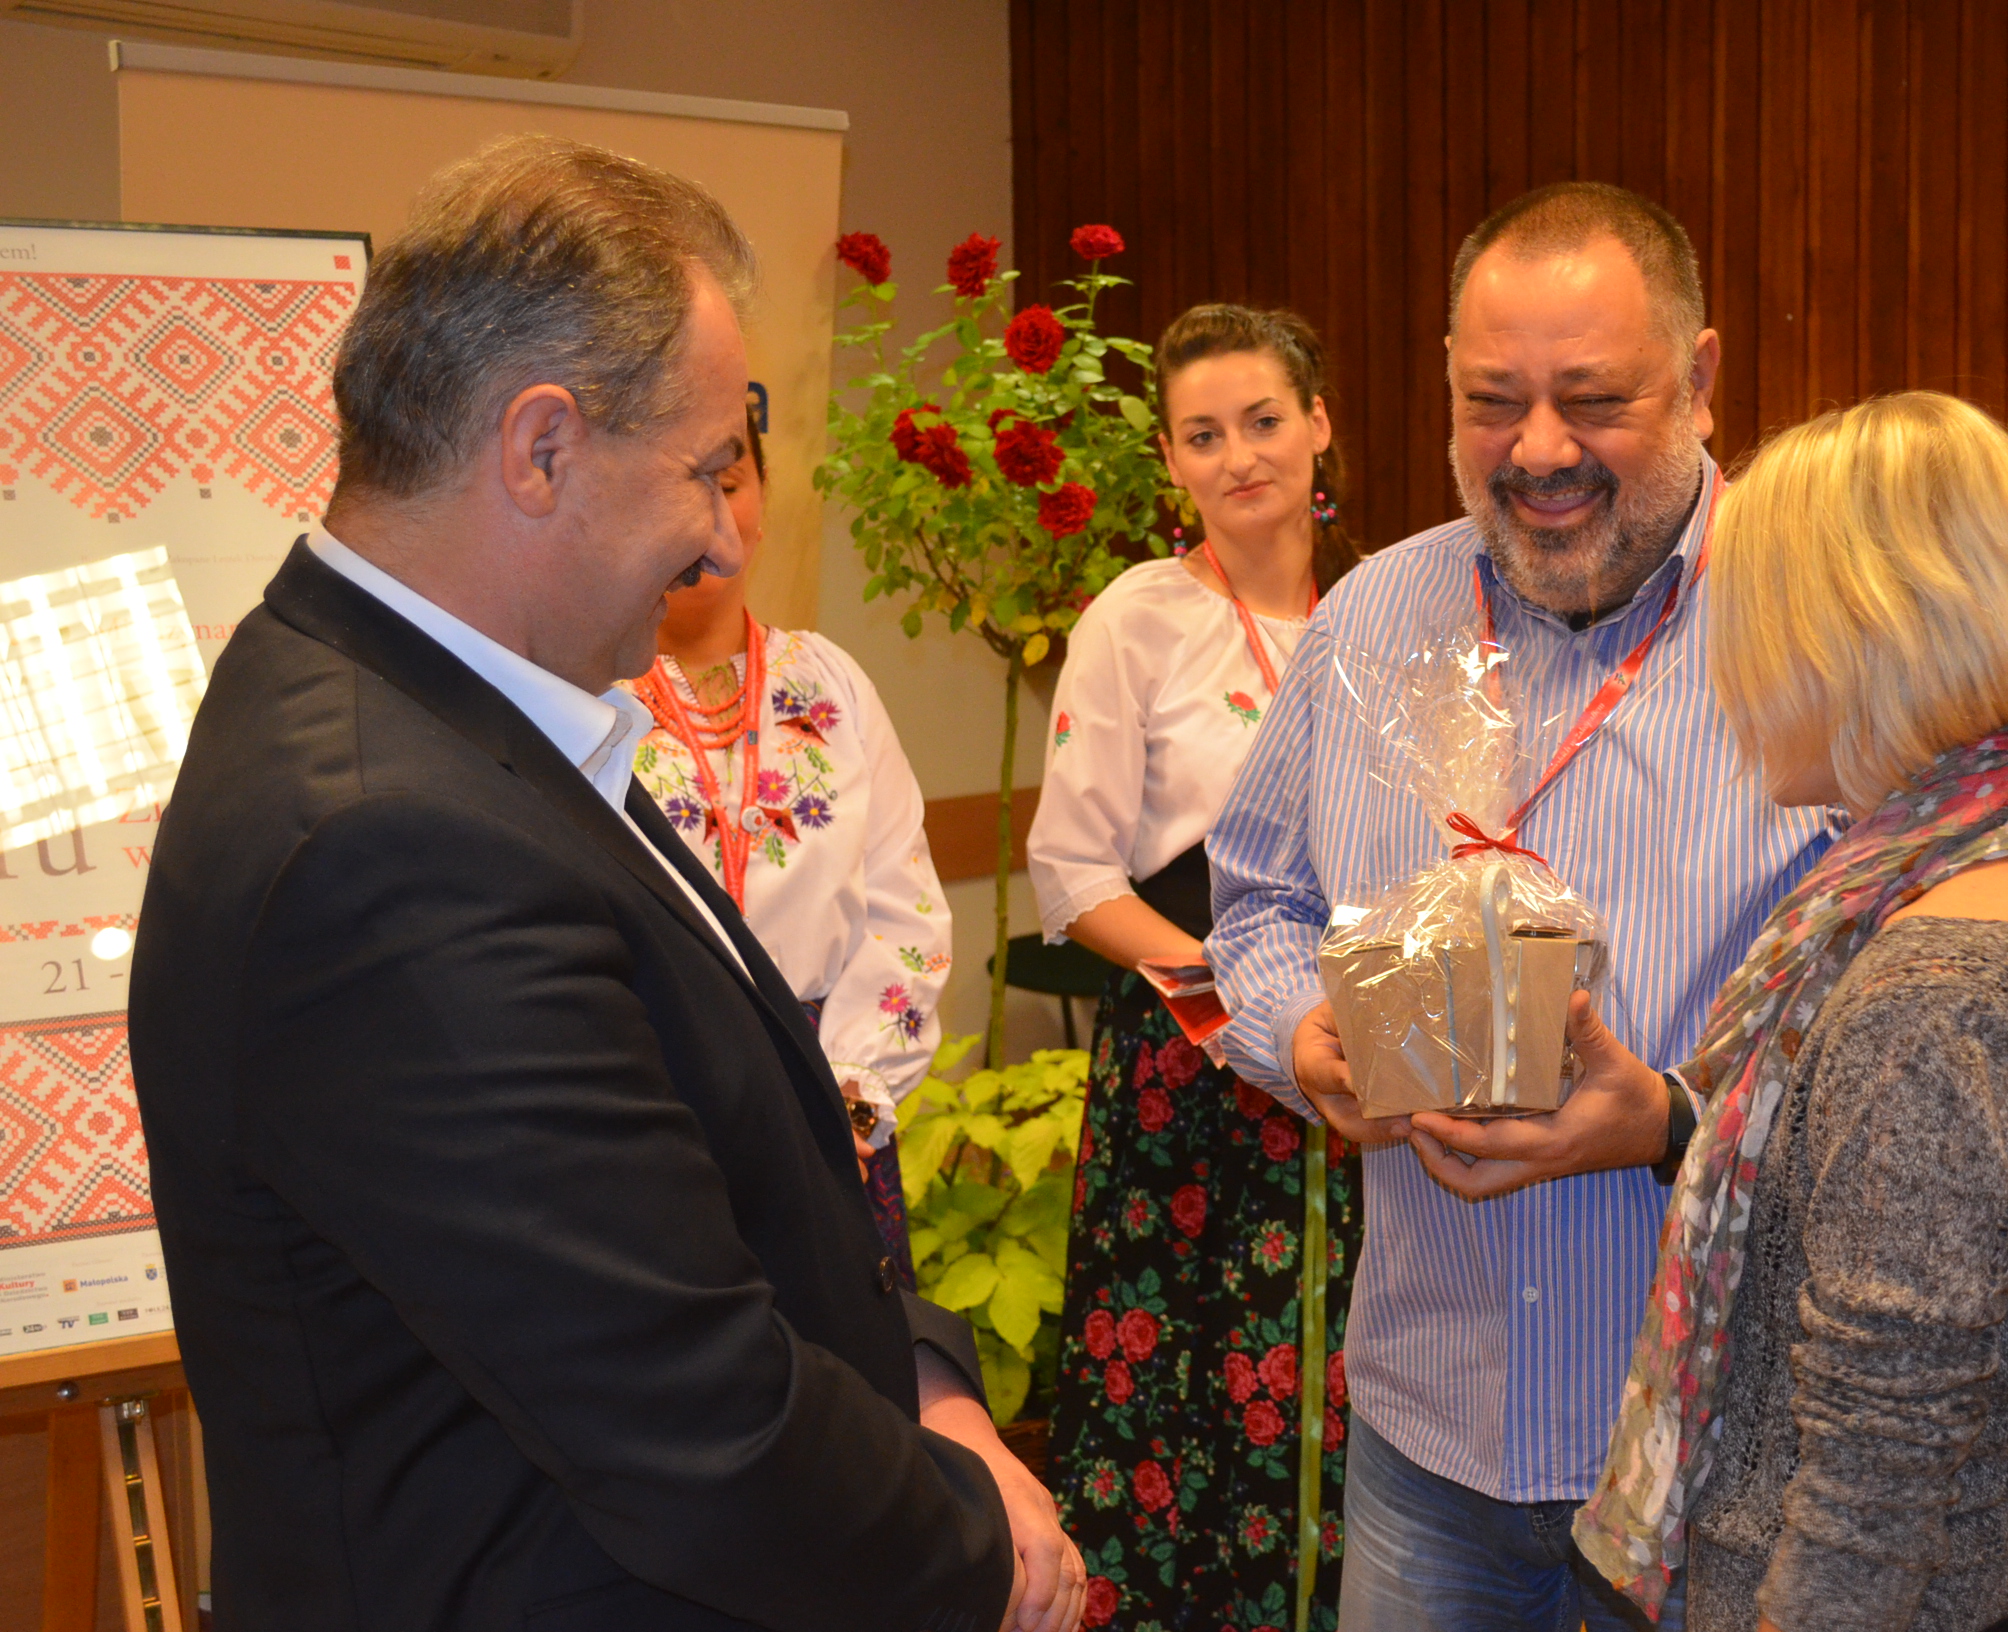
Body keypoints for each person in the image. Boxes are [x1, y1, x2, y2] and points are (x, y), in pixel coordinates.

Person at [128, 135, 1081, 1632]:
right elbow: (691, 1421)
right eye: (705, 468)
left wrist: (920, 1379)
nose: (722, 535)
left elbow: (715, 1169)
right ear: (541, 449)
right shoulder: (389, 843)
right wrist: (983, 1551)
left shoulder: (462, 711)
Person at [1206, 182, 1834, 1632]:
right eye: (1493, 401)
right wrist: (1303, 1041)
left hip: (1720, 1454)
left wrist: (1670, 1120)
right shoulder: (1369, 621)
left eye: (1593, 399)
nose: (1539, 449)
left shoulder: (1820, 625)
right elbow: (1256, 906)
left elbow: (1901, 1050)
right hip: (1428, 1447)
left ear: (1703, 377)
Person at [1549, 392, 2008, 1632]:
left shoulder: (1941, 1001)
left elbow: (1871, 1491)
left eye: (1750, 634)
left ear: (1858, 642)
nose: (1729, 683)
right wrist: (1677, 1122)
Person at [1028, 304, 1366, 1630]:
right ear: (1170, 459)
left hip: (1369, 1054)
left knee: (1351, 1383)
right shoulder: (1139, 618)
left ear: (1319, 423)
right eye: (1203, 434)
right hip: (1196, 1055)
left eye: (1264, 421)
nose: (1239, 457)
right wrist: (1249, 1005)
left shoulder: (1387, 604)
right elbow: (1073, 876)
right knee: (1189, 1393)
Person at [621, 407, 949, 1282]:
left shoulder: (830, 680)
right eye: (670, 488)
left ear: (762, 497)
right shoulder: (583, 694)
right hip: (654, 1108)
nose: (706, 517)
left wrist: (848, 1100)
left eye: (728, 484)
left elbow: (906, 910)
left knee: (845, 1351)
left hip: (830, 1097)